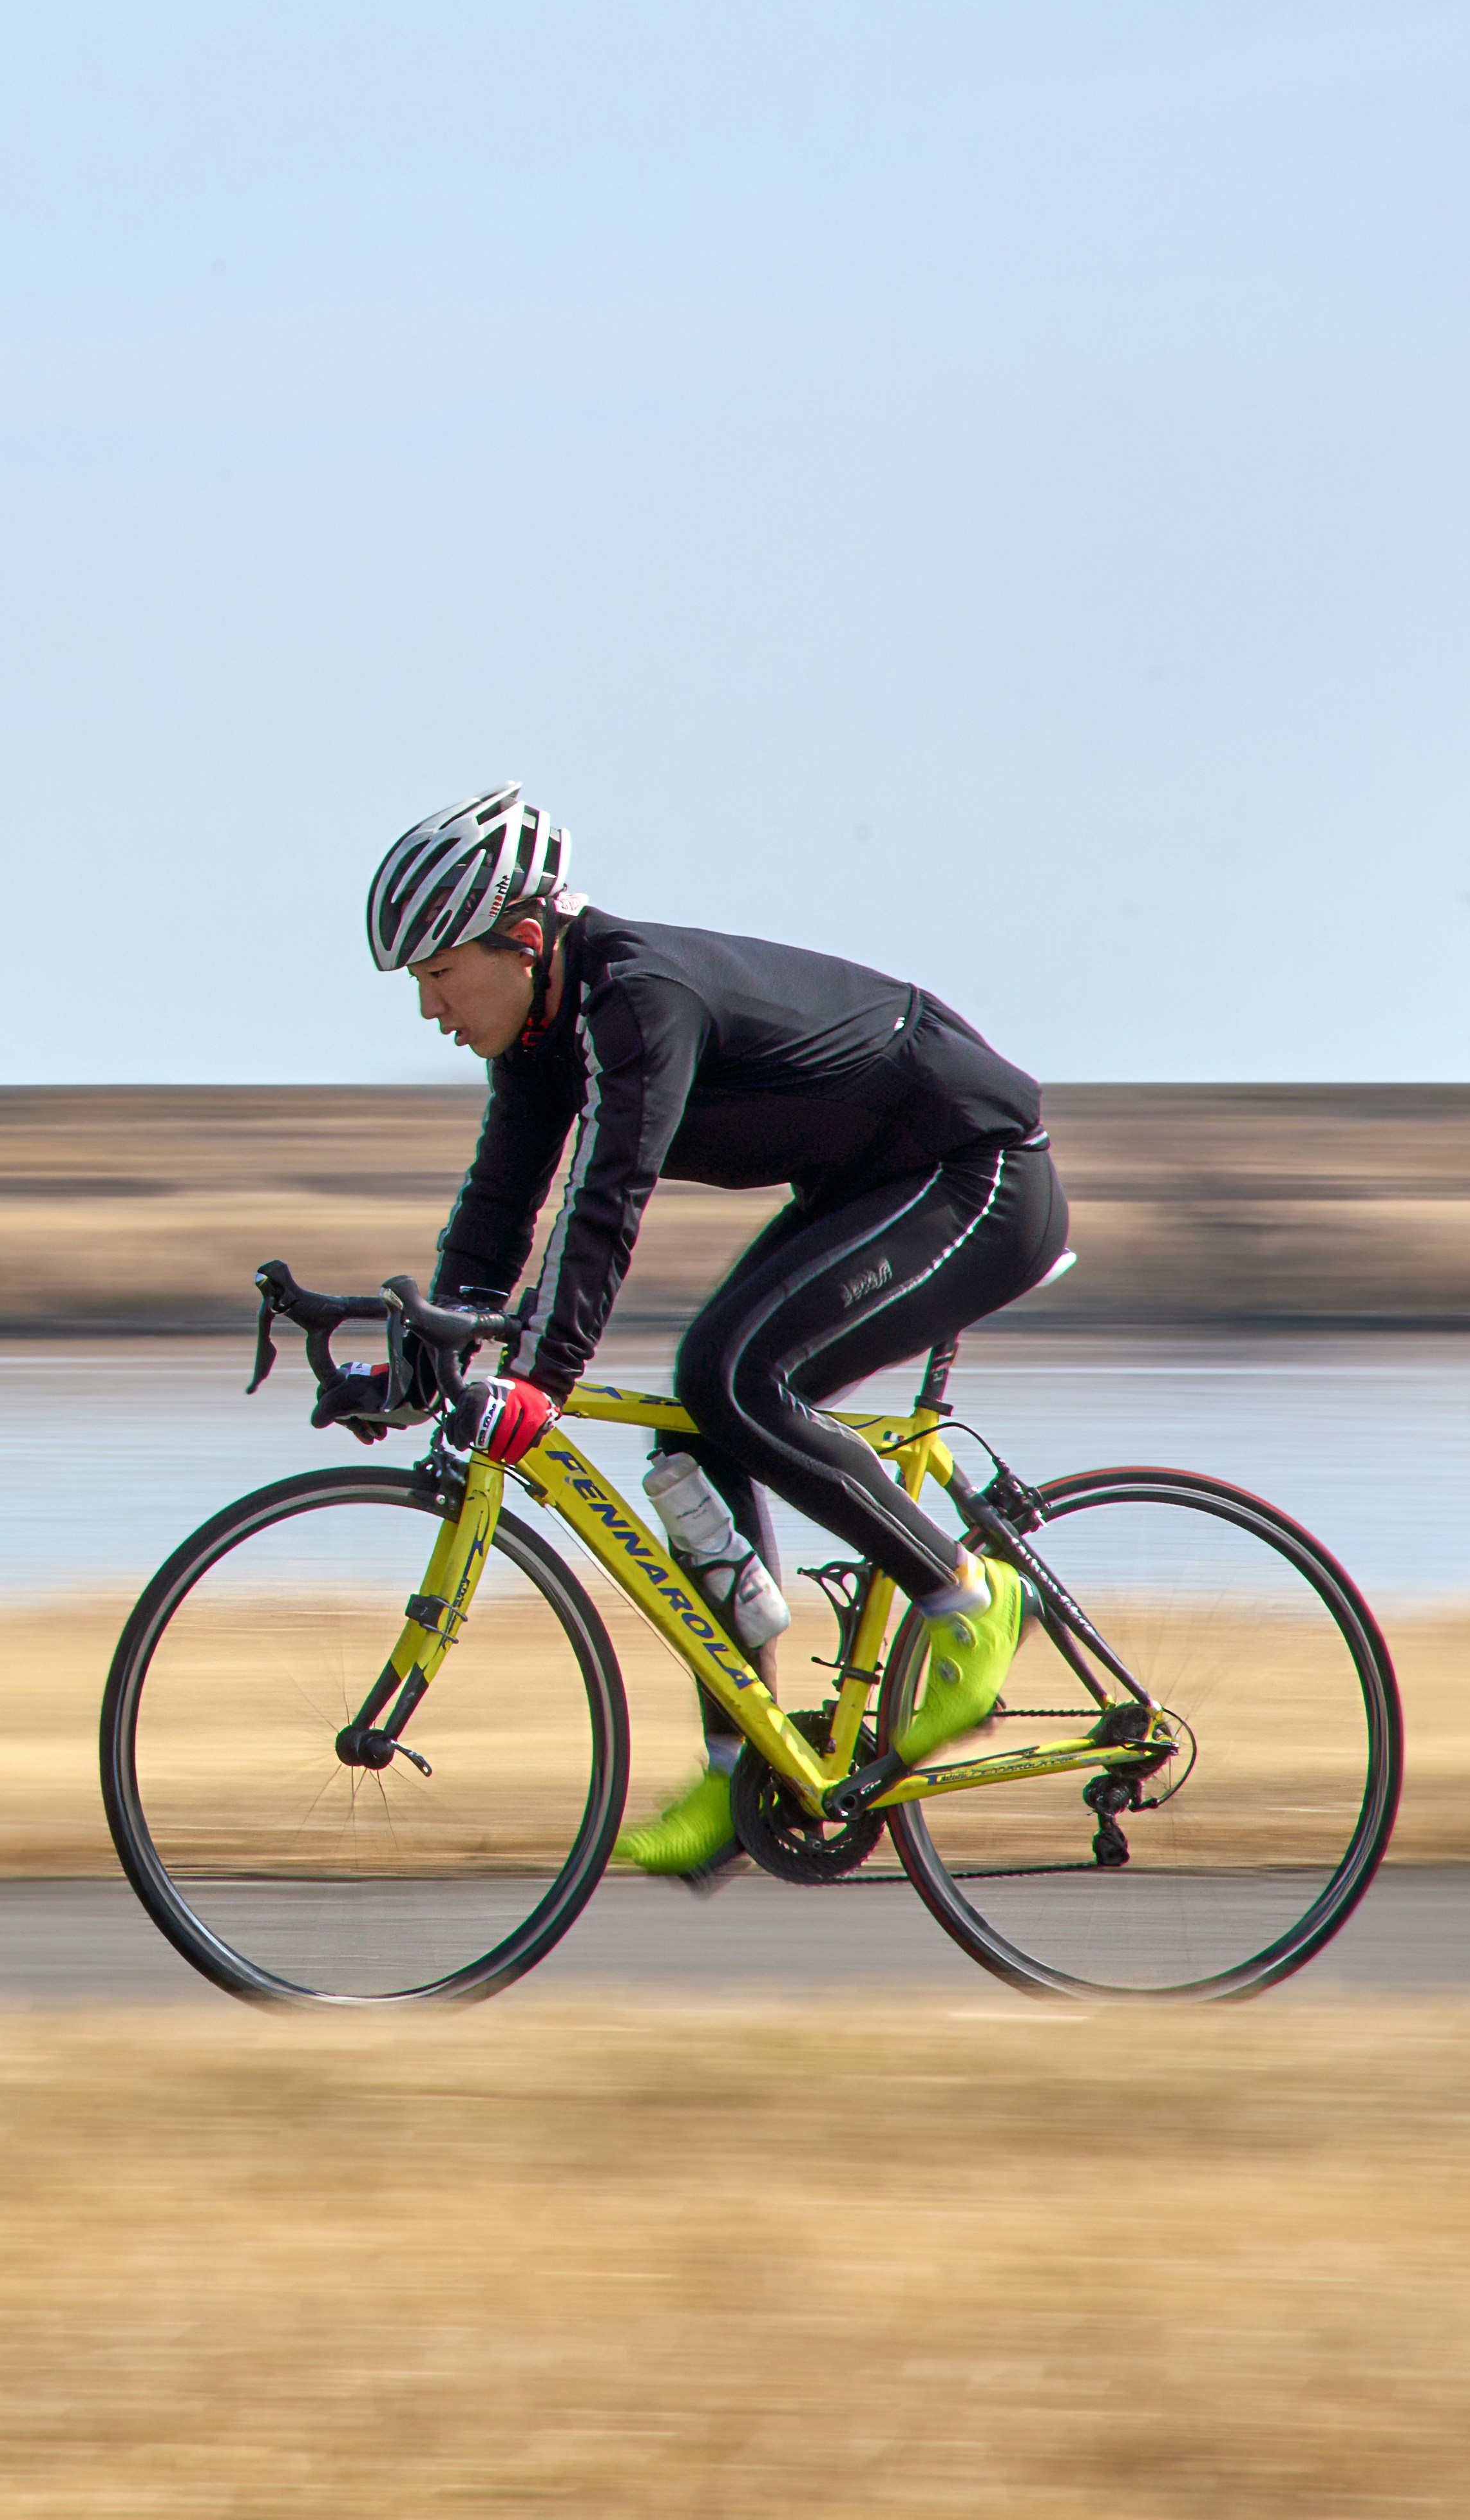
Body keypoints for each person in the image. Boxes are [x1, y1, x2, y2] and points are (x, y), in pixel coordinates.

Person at [361, 784, 1069, 1885]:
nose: (428, 1009)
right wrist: (434, 1342)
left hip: (972, 1174)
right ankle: (746, 1774)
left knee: (730, 1375)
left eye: (439, 976)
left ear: (524, 942)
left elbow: (606, 1197)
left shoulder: (637, 1001)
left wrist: (541, 1379)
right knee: (693, 1439)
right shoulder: (543, 1039)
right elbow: (503, 1201)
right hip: (869, 1183)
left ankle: (969, 1601)